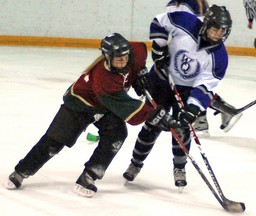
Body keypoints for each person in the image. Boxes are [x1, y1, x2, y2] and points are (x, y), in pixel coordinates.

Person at [4, 33, 183, 198]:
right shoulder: (104, 80)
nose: (122, 62)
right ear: (107, 57)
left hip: (105, 107)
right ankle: (20, 172)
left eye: (125, 58)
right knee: (54, 142)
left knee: (117, 134)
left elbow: (141, 53)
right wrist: (156, 115)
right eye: (117, 60)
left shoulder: (135, 51)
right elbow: (127, 107)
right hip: (80, 104)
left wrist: (140, 73)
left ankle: (89, 176)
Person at [123, 4, 234, 188]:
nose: (217, 35)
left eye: (222, 31)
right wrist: (159, 49)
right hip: (161, 79)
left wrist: (193, 108)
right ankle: (135, 164)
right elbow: (160, 21)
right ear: (206, 24)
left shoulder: (220, 57)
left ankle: (180, 168)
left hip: (186, 91)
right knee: (152, 125)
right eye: (215, 29)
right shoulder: (186, 21)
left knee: (182, 129)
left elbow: (206, 86)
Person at [165, 0, 242, 137]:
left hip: (197, 54)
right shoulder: (177, 3)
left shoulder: (195, 3)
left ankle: (202, 121)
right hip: (187, 53)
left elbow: (201, 30)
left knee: (195, 87)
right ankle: (224, 110)